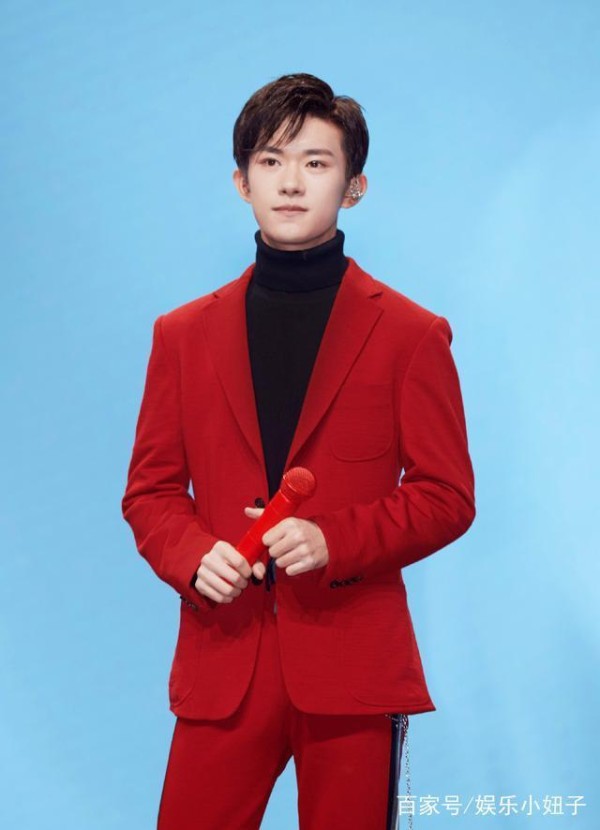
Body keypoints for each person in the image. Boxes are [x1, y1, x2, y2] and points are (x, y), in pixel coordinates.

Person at [121, 72, 476, 830]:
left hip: (353, 663)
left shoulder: (412, 334)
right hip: (224, 660)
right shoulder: (180, 336)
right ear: (241, 181)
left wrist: (332, 539)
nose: (291, 182)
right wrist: (193, 555)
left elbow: (447, 495)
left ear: (354, 187)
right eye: (271, 161)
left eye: (316, 162)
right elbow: (149, 491)